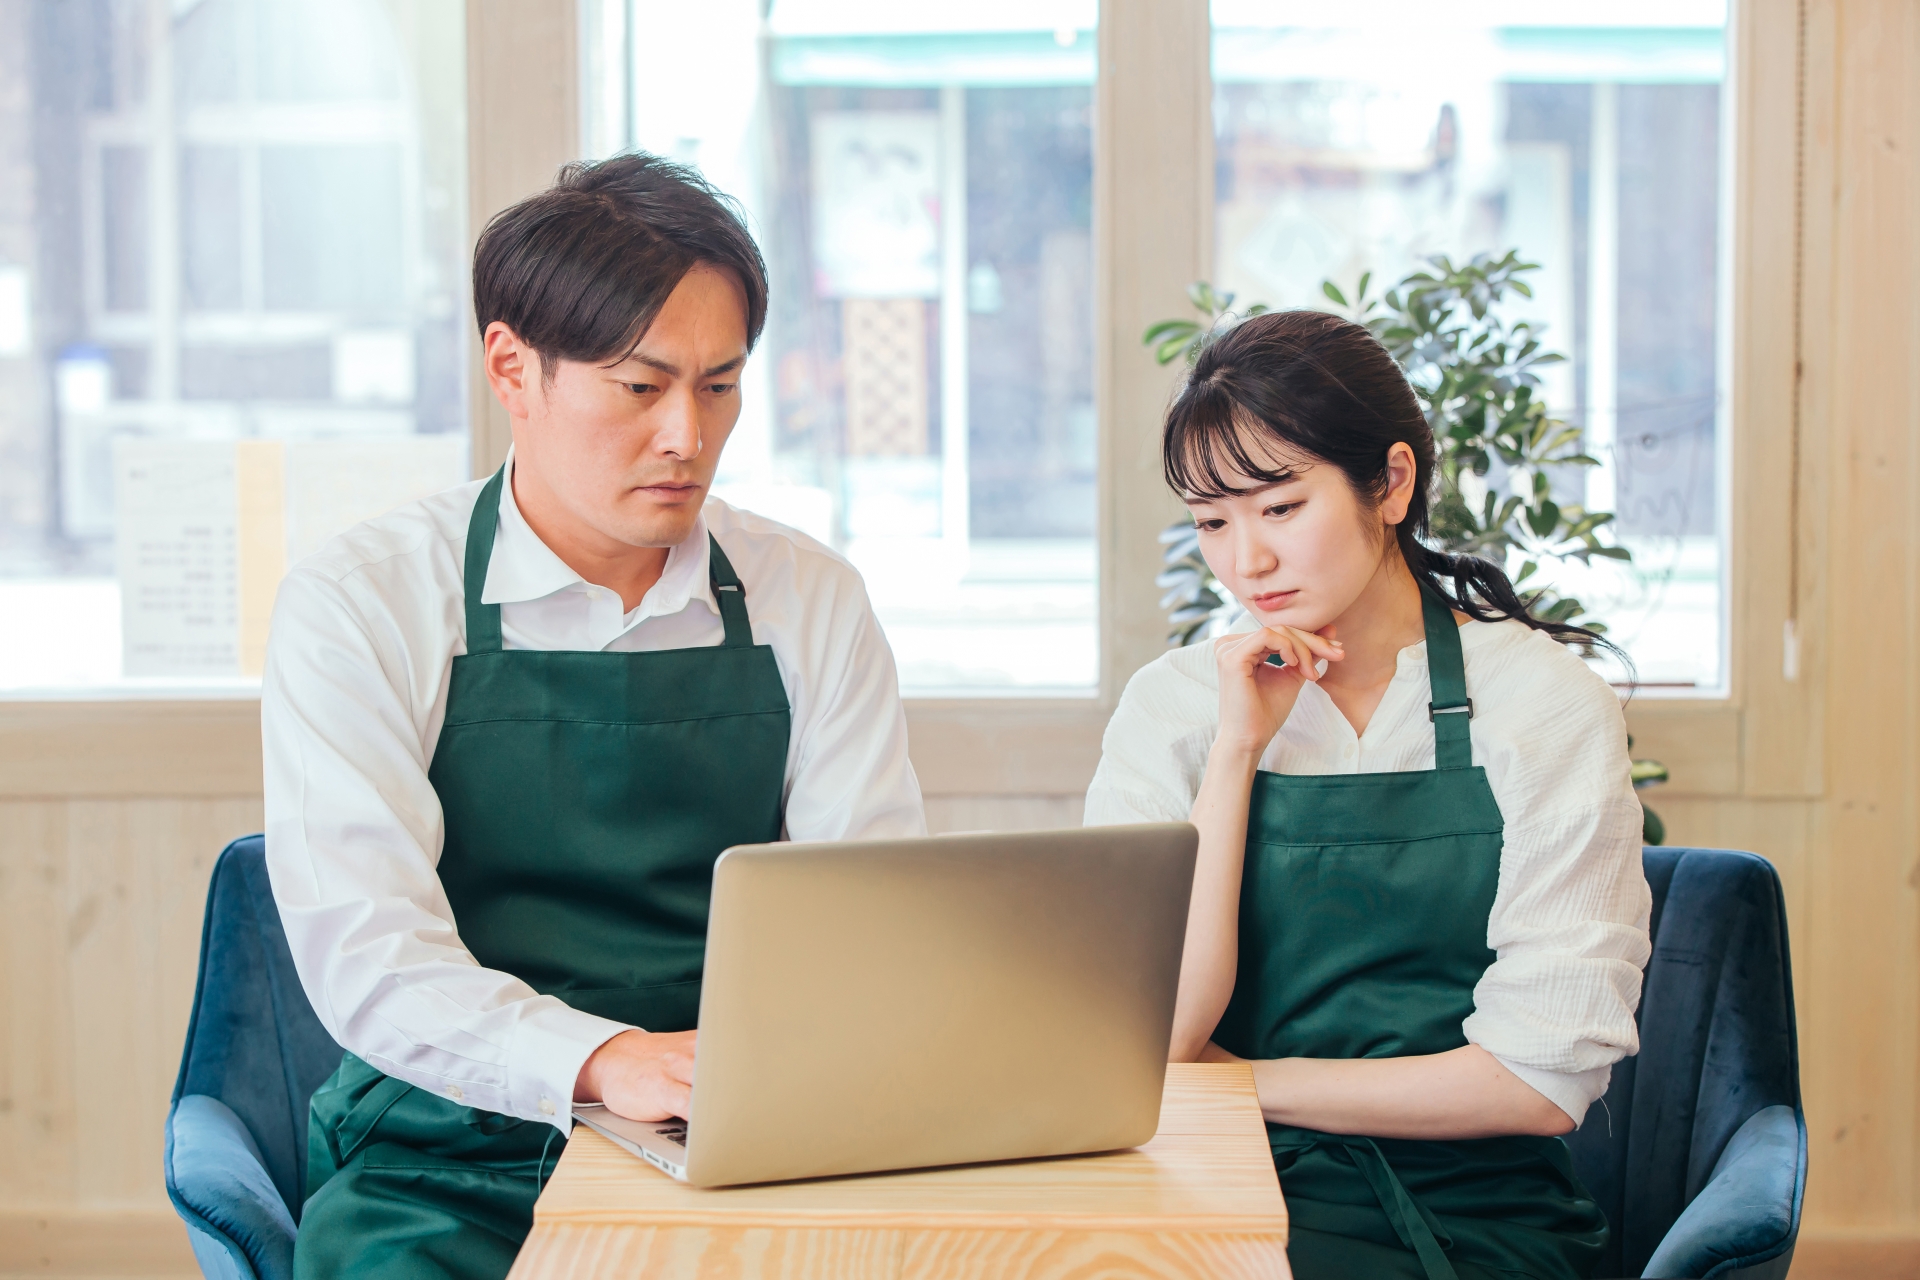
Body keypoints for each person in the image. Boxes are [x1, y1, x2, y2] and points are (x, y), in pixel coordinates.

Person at [261, 153, 924, 1280]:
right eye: (640, 385)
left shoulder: (809, 598)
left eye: (720, 385)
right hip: (441, 1150)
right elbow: (370, 958)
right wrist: (605, 1058)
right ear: (511, 367)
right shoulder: (362, 601)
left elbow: (868, 910)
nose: (688, 434)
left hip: (737, 1135)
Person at [1084, 309, 1650, 1280]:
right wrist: (1236, 750)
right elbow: (1154, 1033)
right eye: (1213, 522)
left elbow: (1537, 1080)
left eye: (1280, 507)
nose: (1244, 561)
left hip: (1469, 1211)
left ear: (1391, 482)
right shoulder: (1176, 705)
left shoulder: (1543, 705)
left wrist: (1244, 1082)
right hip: (1196, 1184)